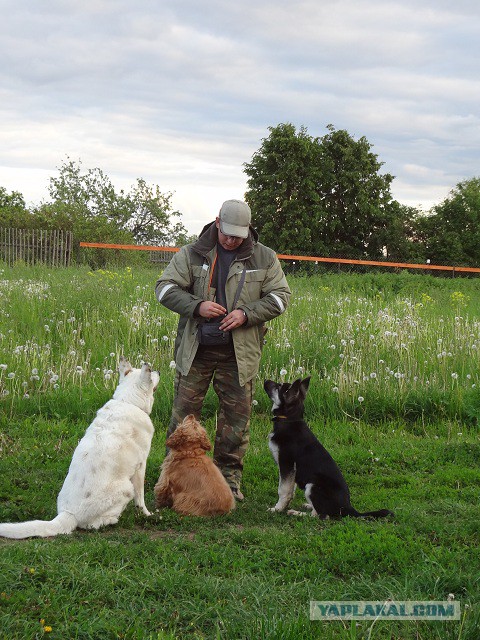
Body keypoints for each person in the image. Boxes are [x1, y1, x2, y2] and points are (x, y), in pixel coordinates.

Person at [155, 199, 291, 500]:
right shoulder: (191, 253)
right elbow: (164, 288)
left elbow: (281, 297)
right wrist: (197, 306)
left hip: (239, 355)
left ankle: (229, 480)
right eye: (227, 233)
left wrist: (247, 314)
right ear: (217, 223)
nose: (232, 240)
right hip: (196, 351)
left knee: (235, 421)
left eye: (238, 235)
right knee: (183, 418)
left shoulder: (265, 257)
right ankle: (174, 478)